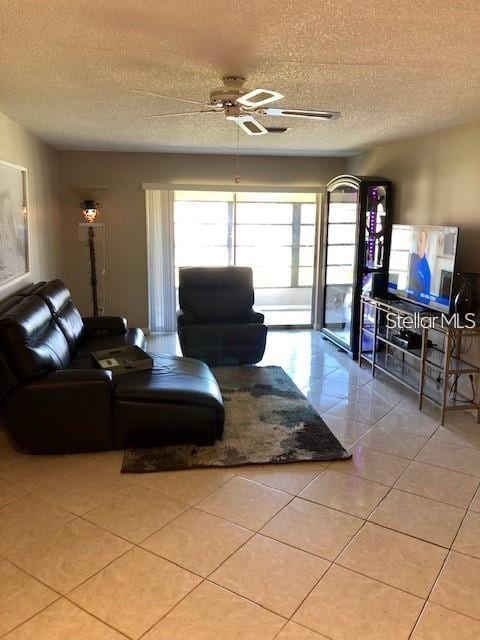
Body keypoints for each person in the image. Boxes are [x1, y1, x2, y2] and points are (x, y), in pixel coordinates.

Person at [409, 229, 431, 299]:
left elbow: (425, 299)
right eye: (417, 240)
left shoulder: (426, 271)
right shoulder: (411, 257)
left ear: (426, 245)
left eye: (421, 241)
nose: (418, 244)